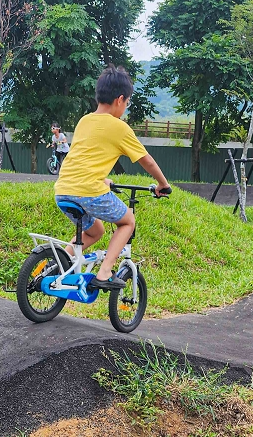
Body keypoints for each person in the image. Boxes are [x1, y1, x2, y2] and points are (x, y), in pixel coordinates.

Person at [53, 65, 172, 291]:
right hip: (89, 192)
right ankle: (105, 271)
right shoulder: (120, 128)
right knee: (127, 221)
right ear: (120, 99)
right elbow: (146, 160)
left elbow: (86, 158)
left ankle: (58, 263)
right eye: (126, 103)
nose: (125, 109)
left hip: (63, 189)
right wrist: (162, 184)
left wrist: (103, 180)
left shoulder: (84, 120)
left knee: (95, 231)